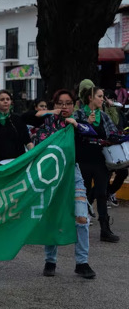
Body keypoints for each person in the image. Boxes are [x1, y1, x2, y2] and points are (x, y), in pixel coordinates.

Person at [34, 89, 96, 279]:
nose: (65, 106)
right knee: (52, 217)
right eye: (60, 103)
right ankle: (50, 261)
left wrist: (76, 124)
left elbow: (92, 132)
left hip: (73, 174)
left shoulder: (77, 124)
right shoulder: (46, 123)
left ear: (74, 105)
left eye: (69, 103)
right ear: (55, 105)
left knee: (82, 218)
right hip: (51, 176)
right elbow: (30, 117)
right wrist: (50, 113)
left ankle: (82, 262)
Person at [74, 87, 120, 242]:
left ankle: (105, 230)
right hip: (83, 160)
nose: (102, 99)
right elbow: (73, 134)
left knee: (101, 193)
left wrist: (115, 138)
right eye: (100, 96)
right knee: (83, 194)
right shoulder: (79, 114)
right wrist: (86, 124)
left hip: (100, 160)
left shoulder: (104, 116)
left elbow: (112, 132)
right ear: (90, 99)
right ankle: (80, 227)